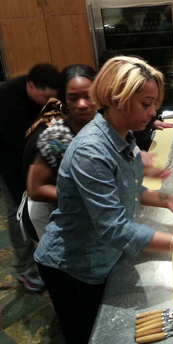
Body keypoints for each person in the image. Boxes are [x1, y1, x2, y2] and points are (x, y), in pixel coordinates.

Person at [34, 56, 173, 344]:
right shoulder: (91, 151)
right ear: (117, 98)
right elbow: (114, 227)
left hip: (102, 255)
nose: (152, 113)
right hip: (74, 267)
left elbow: (127, 188)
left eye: (154, 104)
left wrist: (167, 199)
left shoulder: (123, 136)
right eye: (146, 103)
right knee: (88, 335)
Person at [0, 63, 60, 292]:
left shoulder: (48, 89)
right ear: (31, 86)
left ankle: (48, 258)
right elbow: (24, 146)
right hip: (9, 158)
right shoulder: (7, 100)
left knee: (42, 209)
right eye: (44, 97)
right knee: (19, 209)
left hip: (36, 153)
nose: (47, 103)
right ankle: (25, 268)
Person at [22, 64, 97, 241]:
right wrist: (87, 194)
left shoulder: (102, 125)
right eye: (73, 98)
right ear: (63, 99)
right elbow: (36, 189)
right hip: (59, 220)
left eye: (89, 96)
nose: (82, 105)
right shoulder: (58, 137)